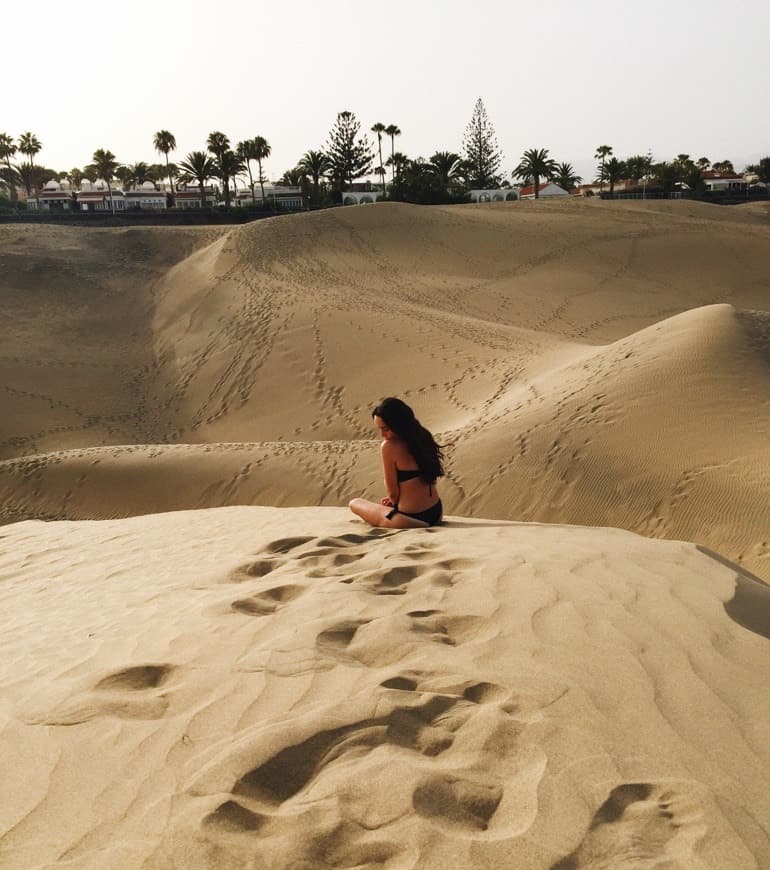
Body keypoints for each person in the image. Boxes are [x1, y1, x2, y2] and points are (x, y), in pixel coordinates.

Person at [349, 397, 444, 528]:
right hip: (436, 512)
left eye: (386, 428)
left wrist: (394, 502)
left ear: (398, 424)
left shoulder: (389, 447)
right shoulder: (423, 436)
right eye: (379, 429)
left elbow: (393, 492)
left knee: (355, 503)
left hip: (410, 519)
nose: (382, 434)